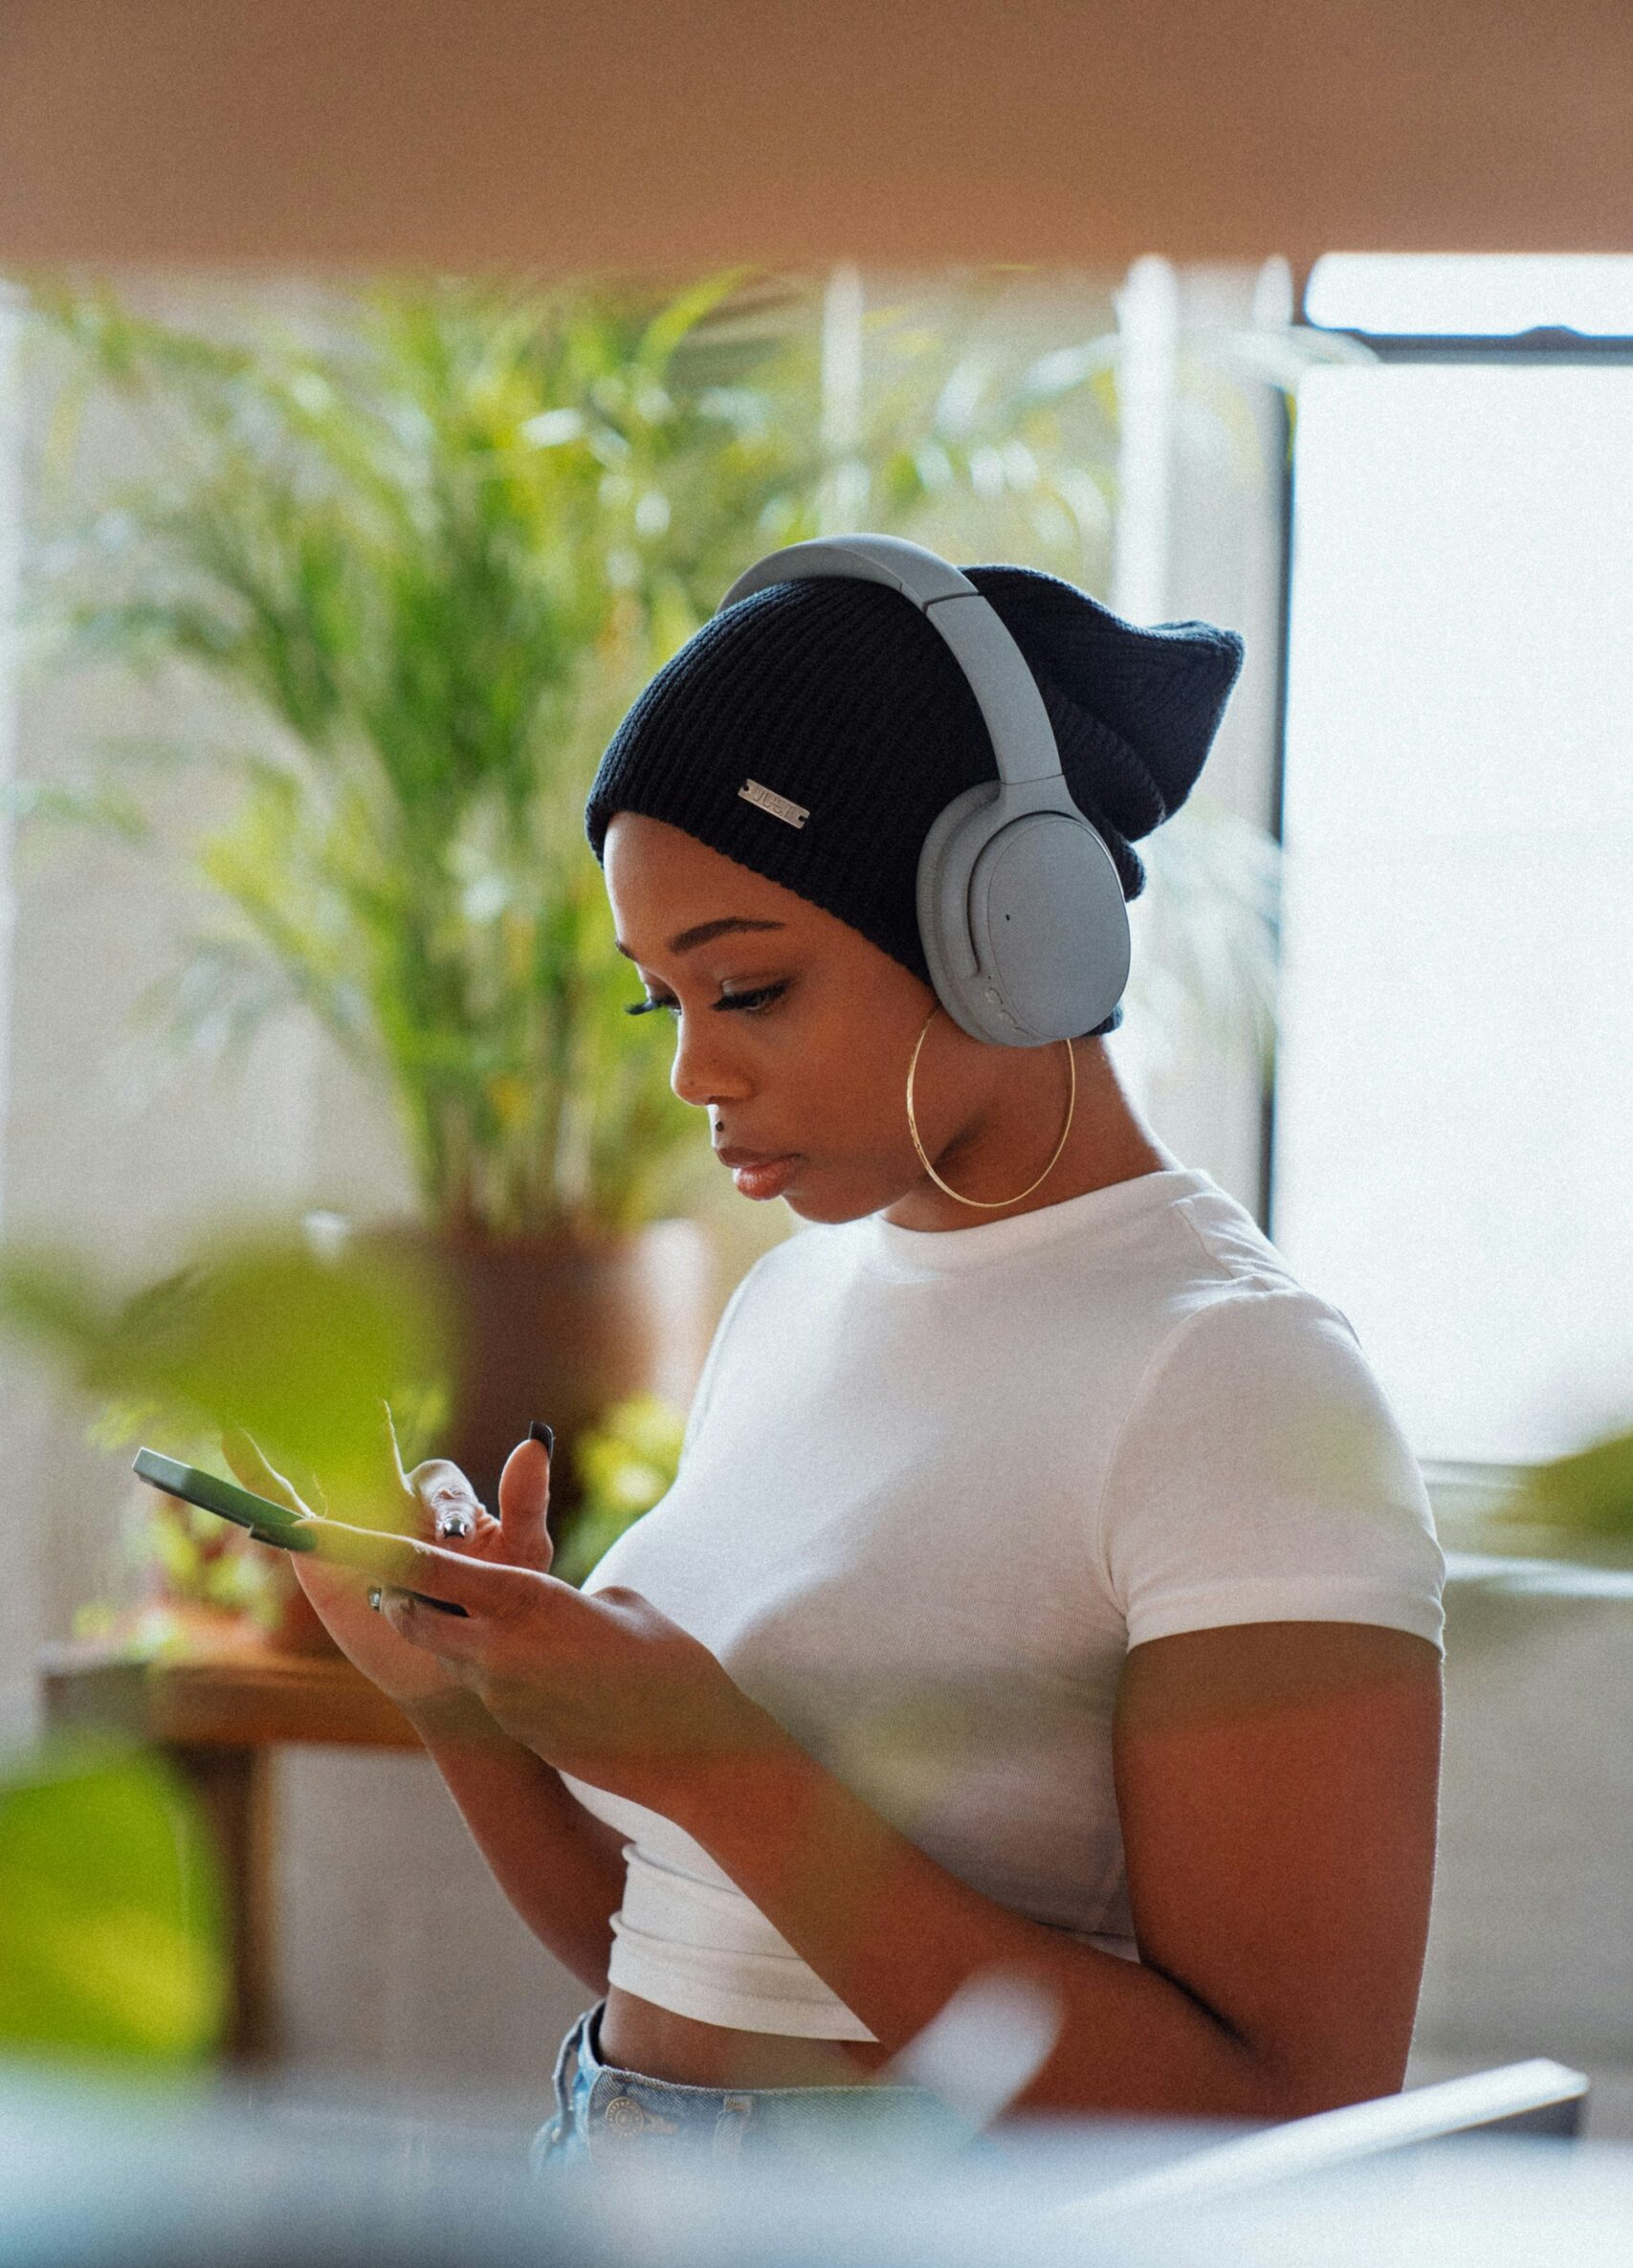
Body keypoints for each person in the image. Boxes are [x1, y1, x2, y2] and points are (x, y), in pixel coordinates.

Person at [229, 553, 1445, 2172]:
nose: (691, 1068)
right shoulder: (788, 1312)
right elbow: (652, 1957)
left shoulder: (1236, 1381)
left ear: (1012, 929)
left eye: (749, 987)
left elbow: (1289, 2123)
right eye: (658, 998)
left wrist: (708, 1758)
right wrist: (447, 1693)